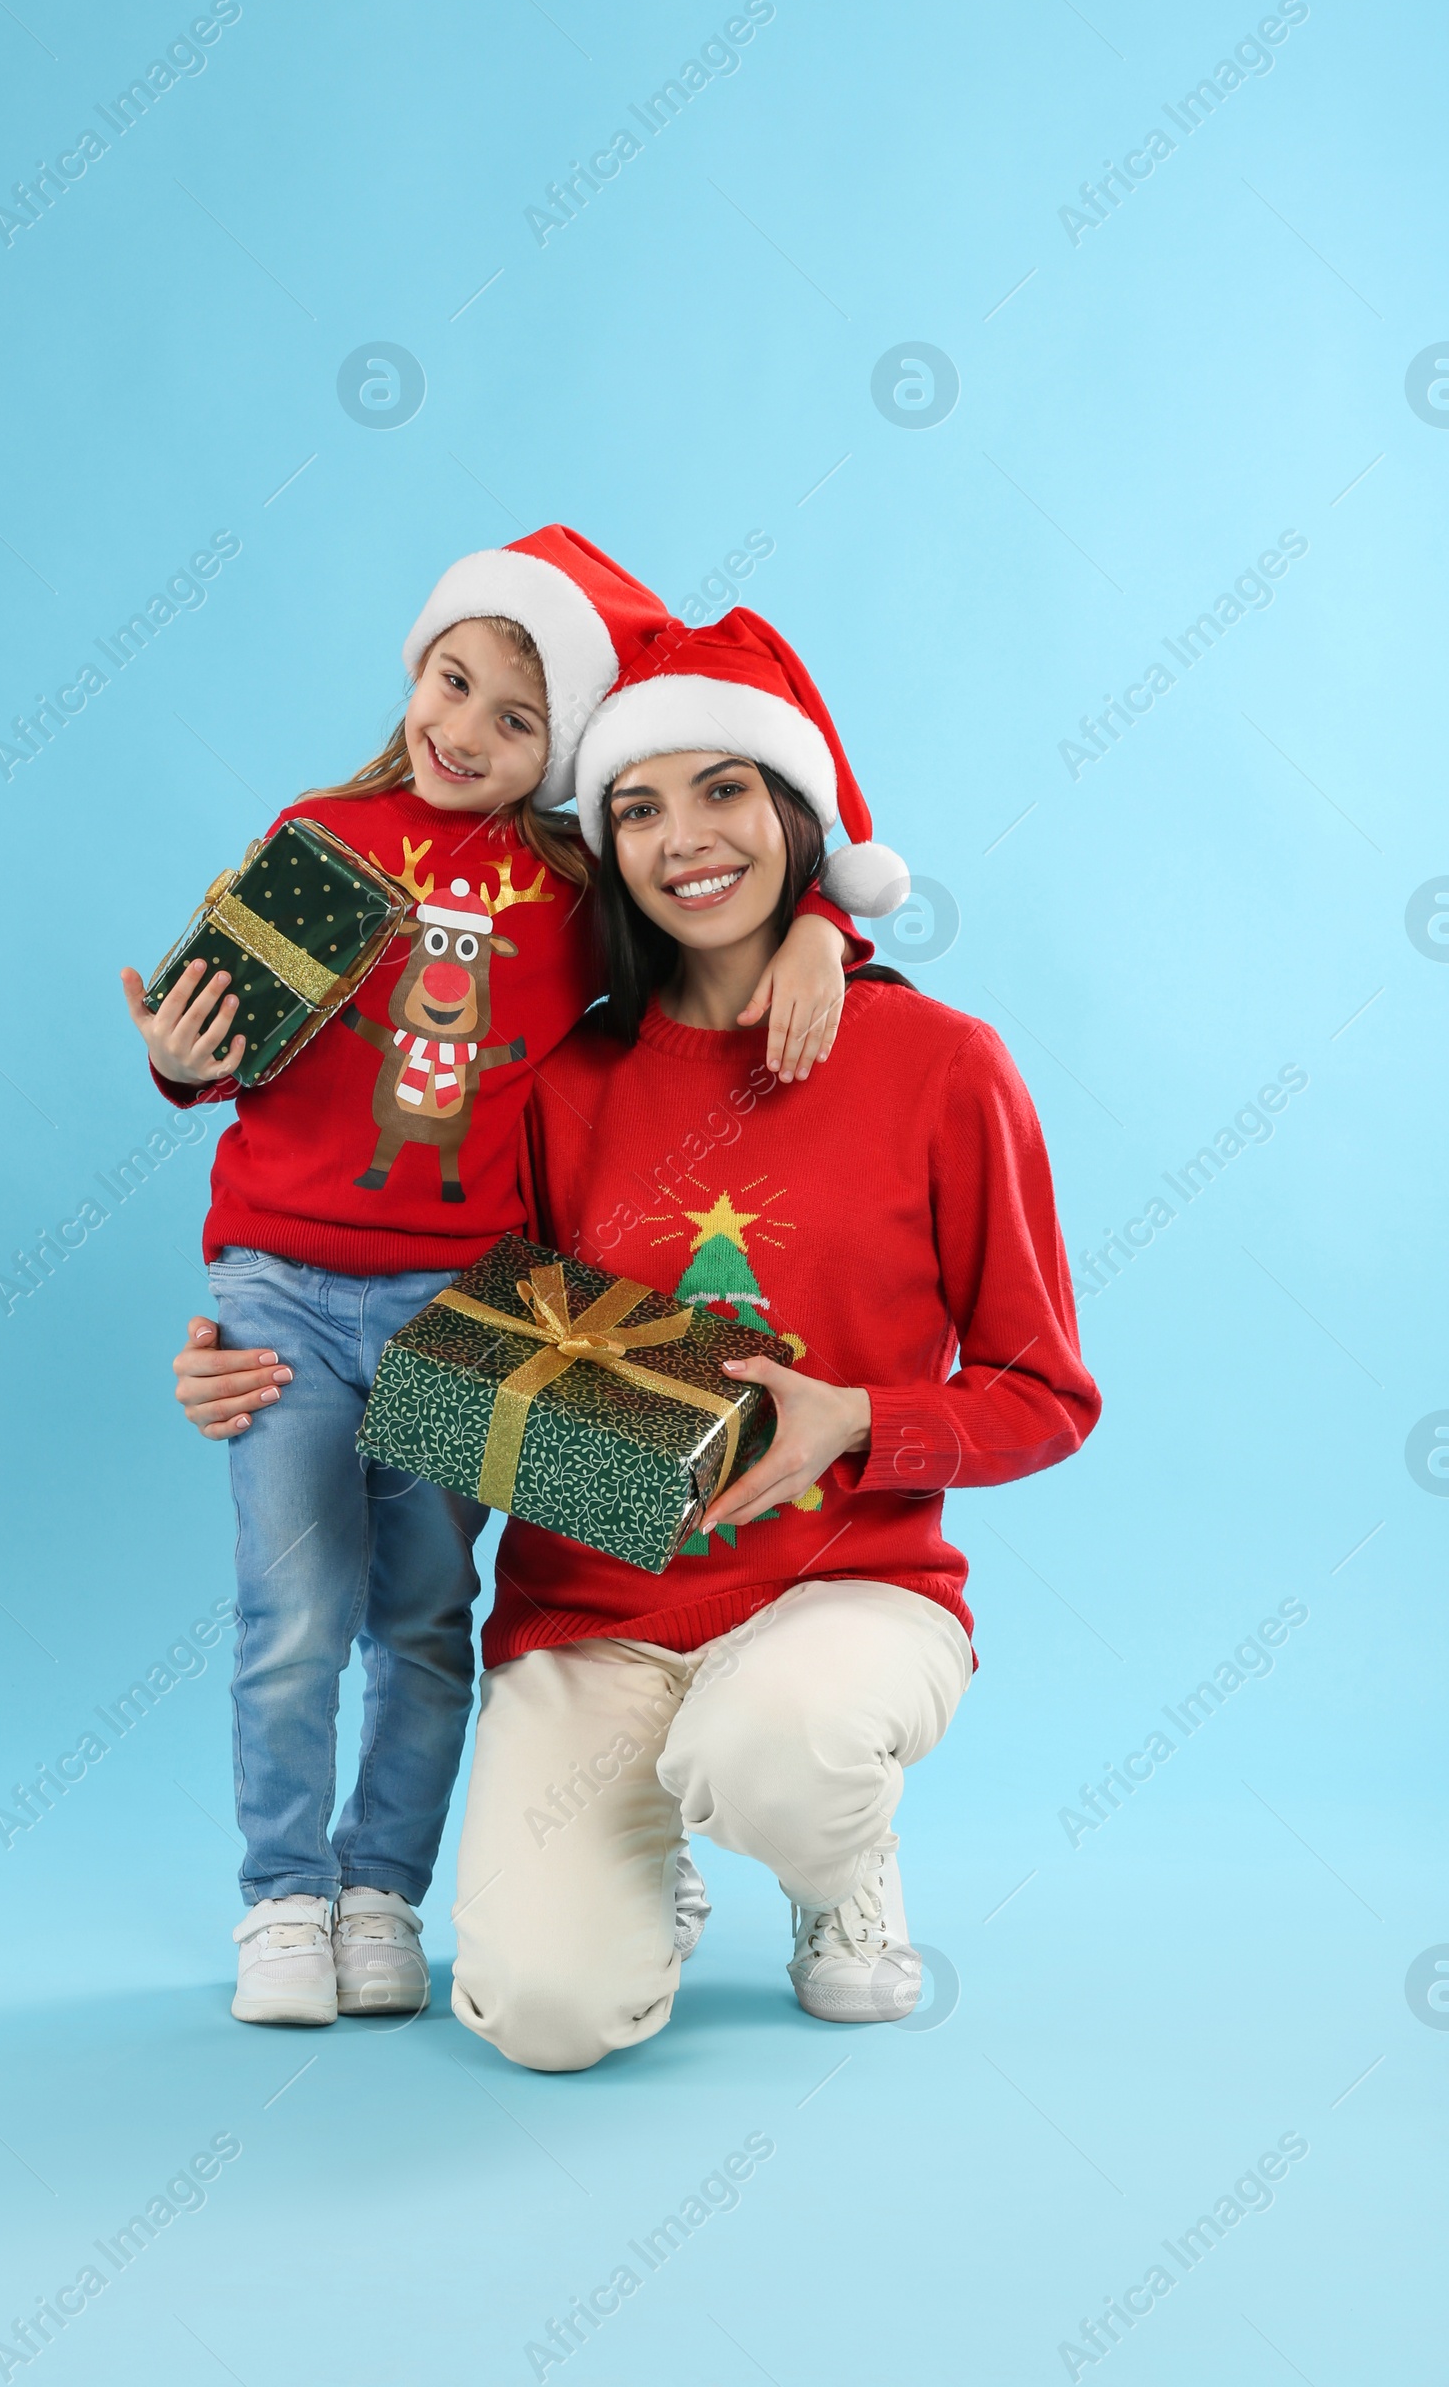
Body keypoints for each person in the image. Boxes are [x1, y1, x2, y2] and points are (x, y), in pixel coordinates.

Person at [127, 532, 868, 2027]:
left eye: (513, 722)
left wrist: (822, 928)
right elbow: (221, 1050)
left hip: (466, 1311)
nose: (460, 732)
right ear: (417, 665)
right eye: (450, 683)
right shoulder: (315, 837)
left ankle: (382, 1890)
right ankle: (282, 1900)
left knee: (421, 1614)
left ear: (563, 753)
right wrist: (173, 1065)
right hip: (278, 1292)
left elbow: (710, 912)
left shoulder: (578, 888)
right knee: (290, 1615)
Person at [440, 607, 1102, 2070]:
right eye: (637, 806)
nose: (684, 838)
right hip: (594, 1618)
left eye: (723, 787)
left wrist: (859, 1419)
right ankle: (638, 1855)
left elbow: (1044, 1393)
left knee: (777, 1757)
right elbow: (457, 1336)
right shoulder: (565, 1084)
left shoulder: (943, 1065)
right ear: (603, 846)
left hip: (847, 1591)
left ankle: (831, 1862)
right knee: (543, 2019)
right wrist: (261, 1356)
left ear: (797, 810)